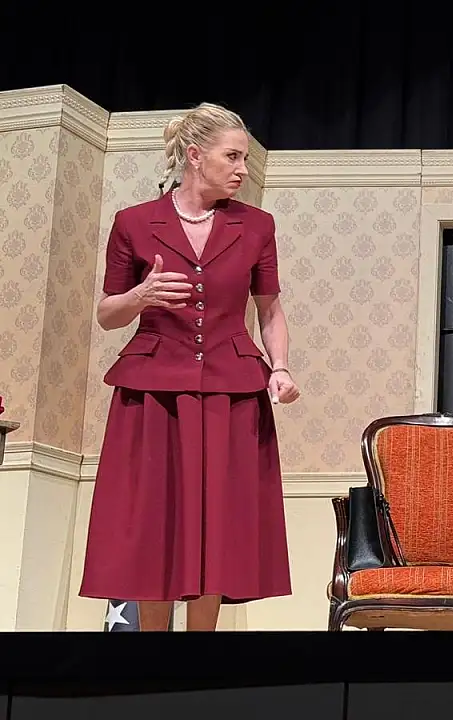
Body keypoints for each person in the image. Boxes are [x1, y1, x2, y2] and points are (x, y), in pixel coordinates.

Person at [79, 103, 300, 631]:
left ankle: (202, 646)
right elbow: (108, 315)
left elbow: (269, 309)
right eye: (233, 157)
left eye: (244, 158)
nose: (242, 169)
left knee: (220, 523)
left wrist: (281, 368)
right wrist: (141, 294)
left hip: (232, 391)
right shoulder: (134, 222)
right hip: (151, 391)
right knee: (154, 520)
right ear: (195, 156)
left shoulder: (257, 225)